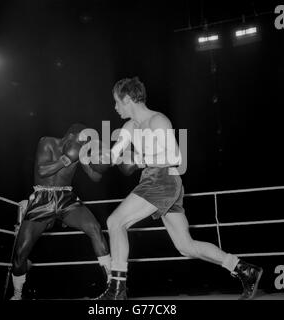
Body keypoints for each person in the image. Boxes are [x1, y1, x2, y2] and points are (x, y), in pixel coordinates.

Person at [94, 77, 263, 300]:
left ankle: (117, 290)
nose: (115, 107)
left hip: (164, 180)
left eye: (117, 102)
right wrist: (98, 154)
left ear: (127, 99)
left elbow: (175, 156)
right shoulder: (129, 127)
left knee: (115, 222)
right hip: (155, 181)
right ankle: (244, 269)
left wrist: (140, 158)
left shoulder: (158, 120)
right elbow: (115, 156)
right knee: (186, 246)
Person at [10, 123, 111, 300]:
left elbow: (95, 177)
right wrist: (66, 159)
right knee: (20, 253)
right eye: (83, 139)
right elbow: (42, 171)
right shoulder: (47, 142)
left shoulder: (80, 152)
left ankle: (113, 286)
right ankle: (17, 294)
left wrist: (102, 163)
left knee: (94, 228)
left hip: (66, 198)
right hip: (42, 198)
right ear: (72, 135)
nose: (85, 143)